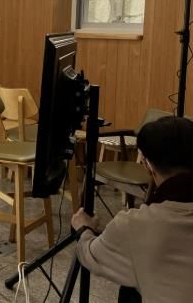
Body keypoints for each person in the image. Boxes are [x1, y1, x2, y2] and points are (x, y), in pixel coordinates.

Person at [71, 115, 193, 303]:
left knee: (129, 290)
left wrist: (83, 229)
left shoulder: (135, 224)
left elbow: (90, 254)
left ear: (147, 164)